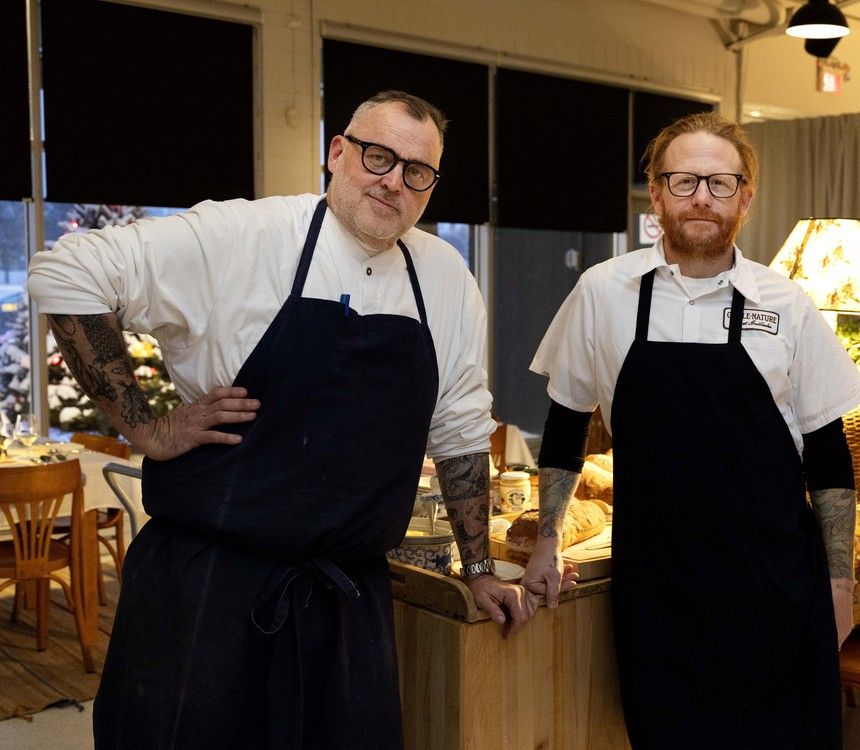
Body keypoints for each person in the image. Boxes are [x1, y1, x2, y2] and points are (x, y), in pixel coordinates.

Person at [28, 90, 542, 749]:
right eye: (378, 156)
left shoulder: (443, 275)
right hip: (206, 595)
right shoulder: (242, 237)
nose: (394, 181)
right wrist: (146, 427)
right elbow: (67, 273)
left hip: (347, 607)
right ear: (337, 152)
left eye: (418, 172)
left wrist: (477, 570)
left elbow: (461, 432)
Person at [523, 112, 860, 749]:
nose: (702, 197)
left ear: (746, 197)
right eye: (683, 181)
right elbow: (566, 425)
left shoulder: (786, 305)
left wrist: (838, 586)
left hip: (777, 594)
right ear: (655, 193)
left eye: (720, 182)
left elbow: (828, 460)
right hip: (658, 596)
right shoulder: (603, 292)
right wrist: (547, 541)